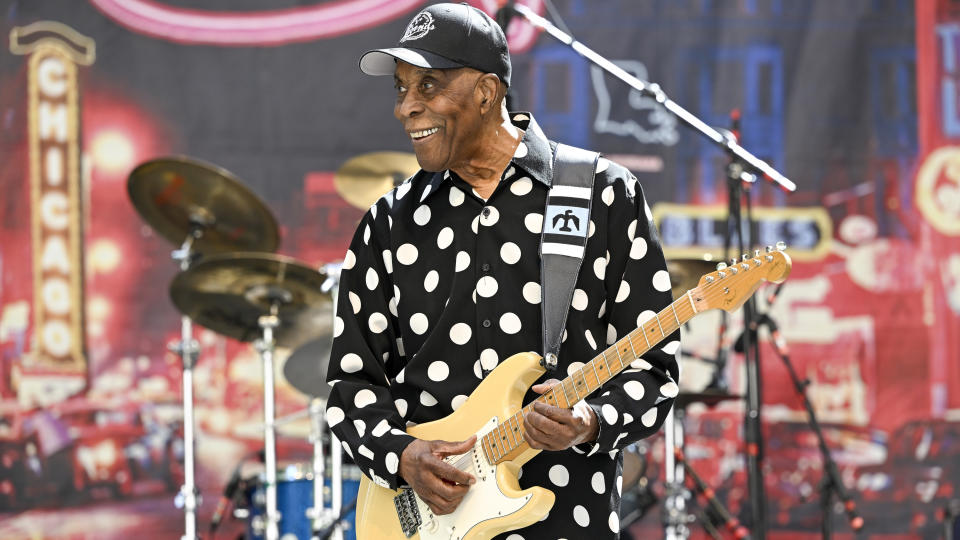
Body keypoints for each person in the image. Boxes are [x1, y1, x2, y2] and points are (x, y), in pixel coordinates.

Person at [325, 4, 680, 538]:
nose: (406, 108)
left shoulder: (603, 193)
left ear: (487, 92)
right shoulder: (390, 221)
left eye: (427, 86)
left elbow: (655, 372)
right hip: (426, 524)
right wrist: (402, 455)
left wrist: (589, 421)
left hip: (564, 518)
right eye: (401, 89)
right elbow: (351, 383)